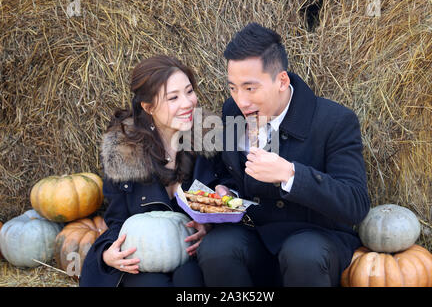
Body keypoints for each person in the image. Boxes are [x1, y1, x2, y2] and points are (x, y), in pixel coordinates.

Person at [196, 23, 371, 286]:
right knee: (216, 248)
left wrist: (291, 175)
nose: (241, 100)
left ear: (282, 81)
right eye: (233, 87)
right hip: (255, 234)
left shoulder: (335, 121)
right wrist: (227, 193)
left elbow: (355, 204)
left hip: (315, 238)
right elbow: (231, 172)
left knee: (303, 254)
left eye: (250, 88)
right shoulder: (233, 110)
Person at [79, 55, 225, 287]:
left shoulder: (209, 141)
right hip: (142, 260)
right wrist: (107, 254)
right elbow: (116, 220)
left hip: (195, 254)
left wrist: (211, 225)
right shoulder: (125, 152)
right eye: (173, 98)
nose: (187, 103)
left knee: (190, 278)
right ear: (149, 107)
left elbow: (228, 197)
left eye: (189, 91)